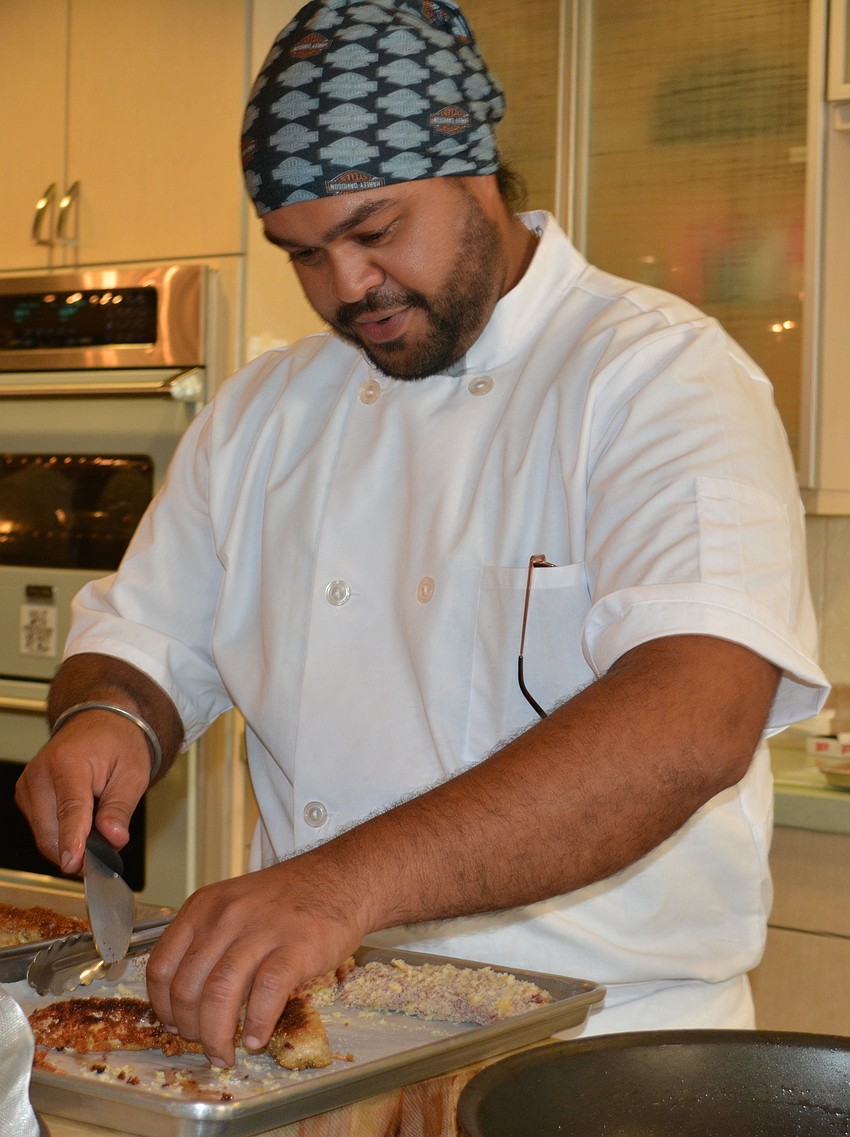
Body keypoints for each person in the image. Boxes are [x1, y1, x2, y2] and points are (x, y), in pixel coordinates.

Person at [17, 0, 828, 1069]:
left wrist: (340, 883)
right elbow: (147, 637)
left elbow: (692, 720)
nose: (346, 288)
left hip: (599, 1049)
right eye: (303, 254)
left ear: (477, 169)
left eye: (375, 231)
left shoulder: (657, 377)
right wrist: (108, 717)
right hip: (313, 1041)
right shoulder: (265, 412)